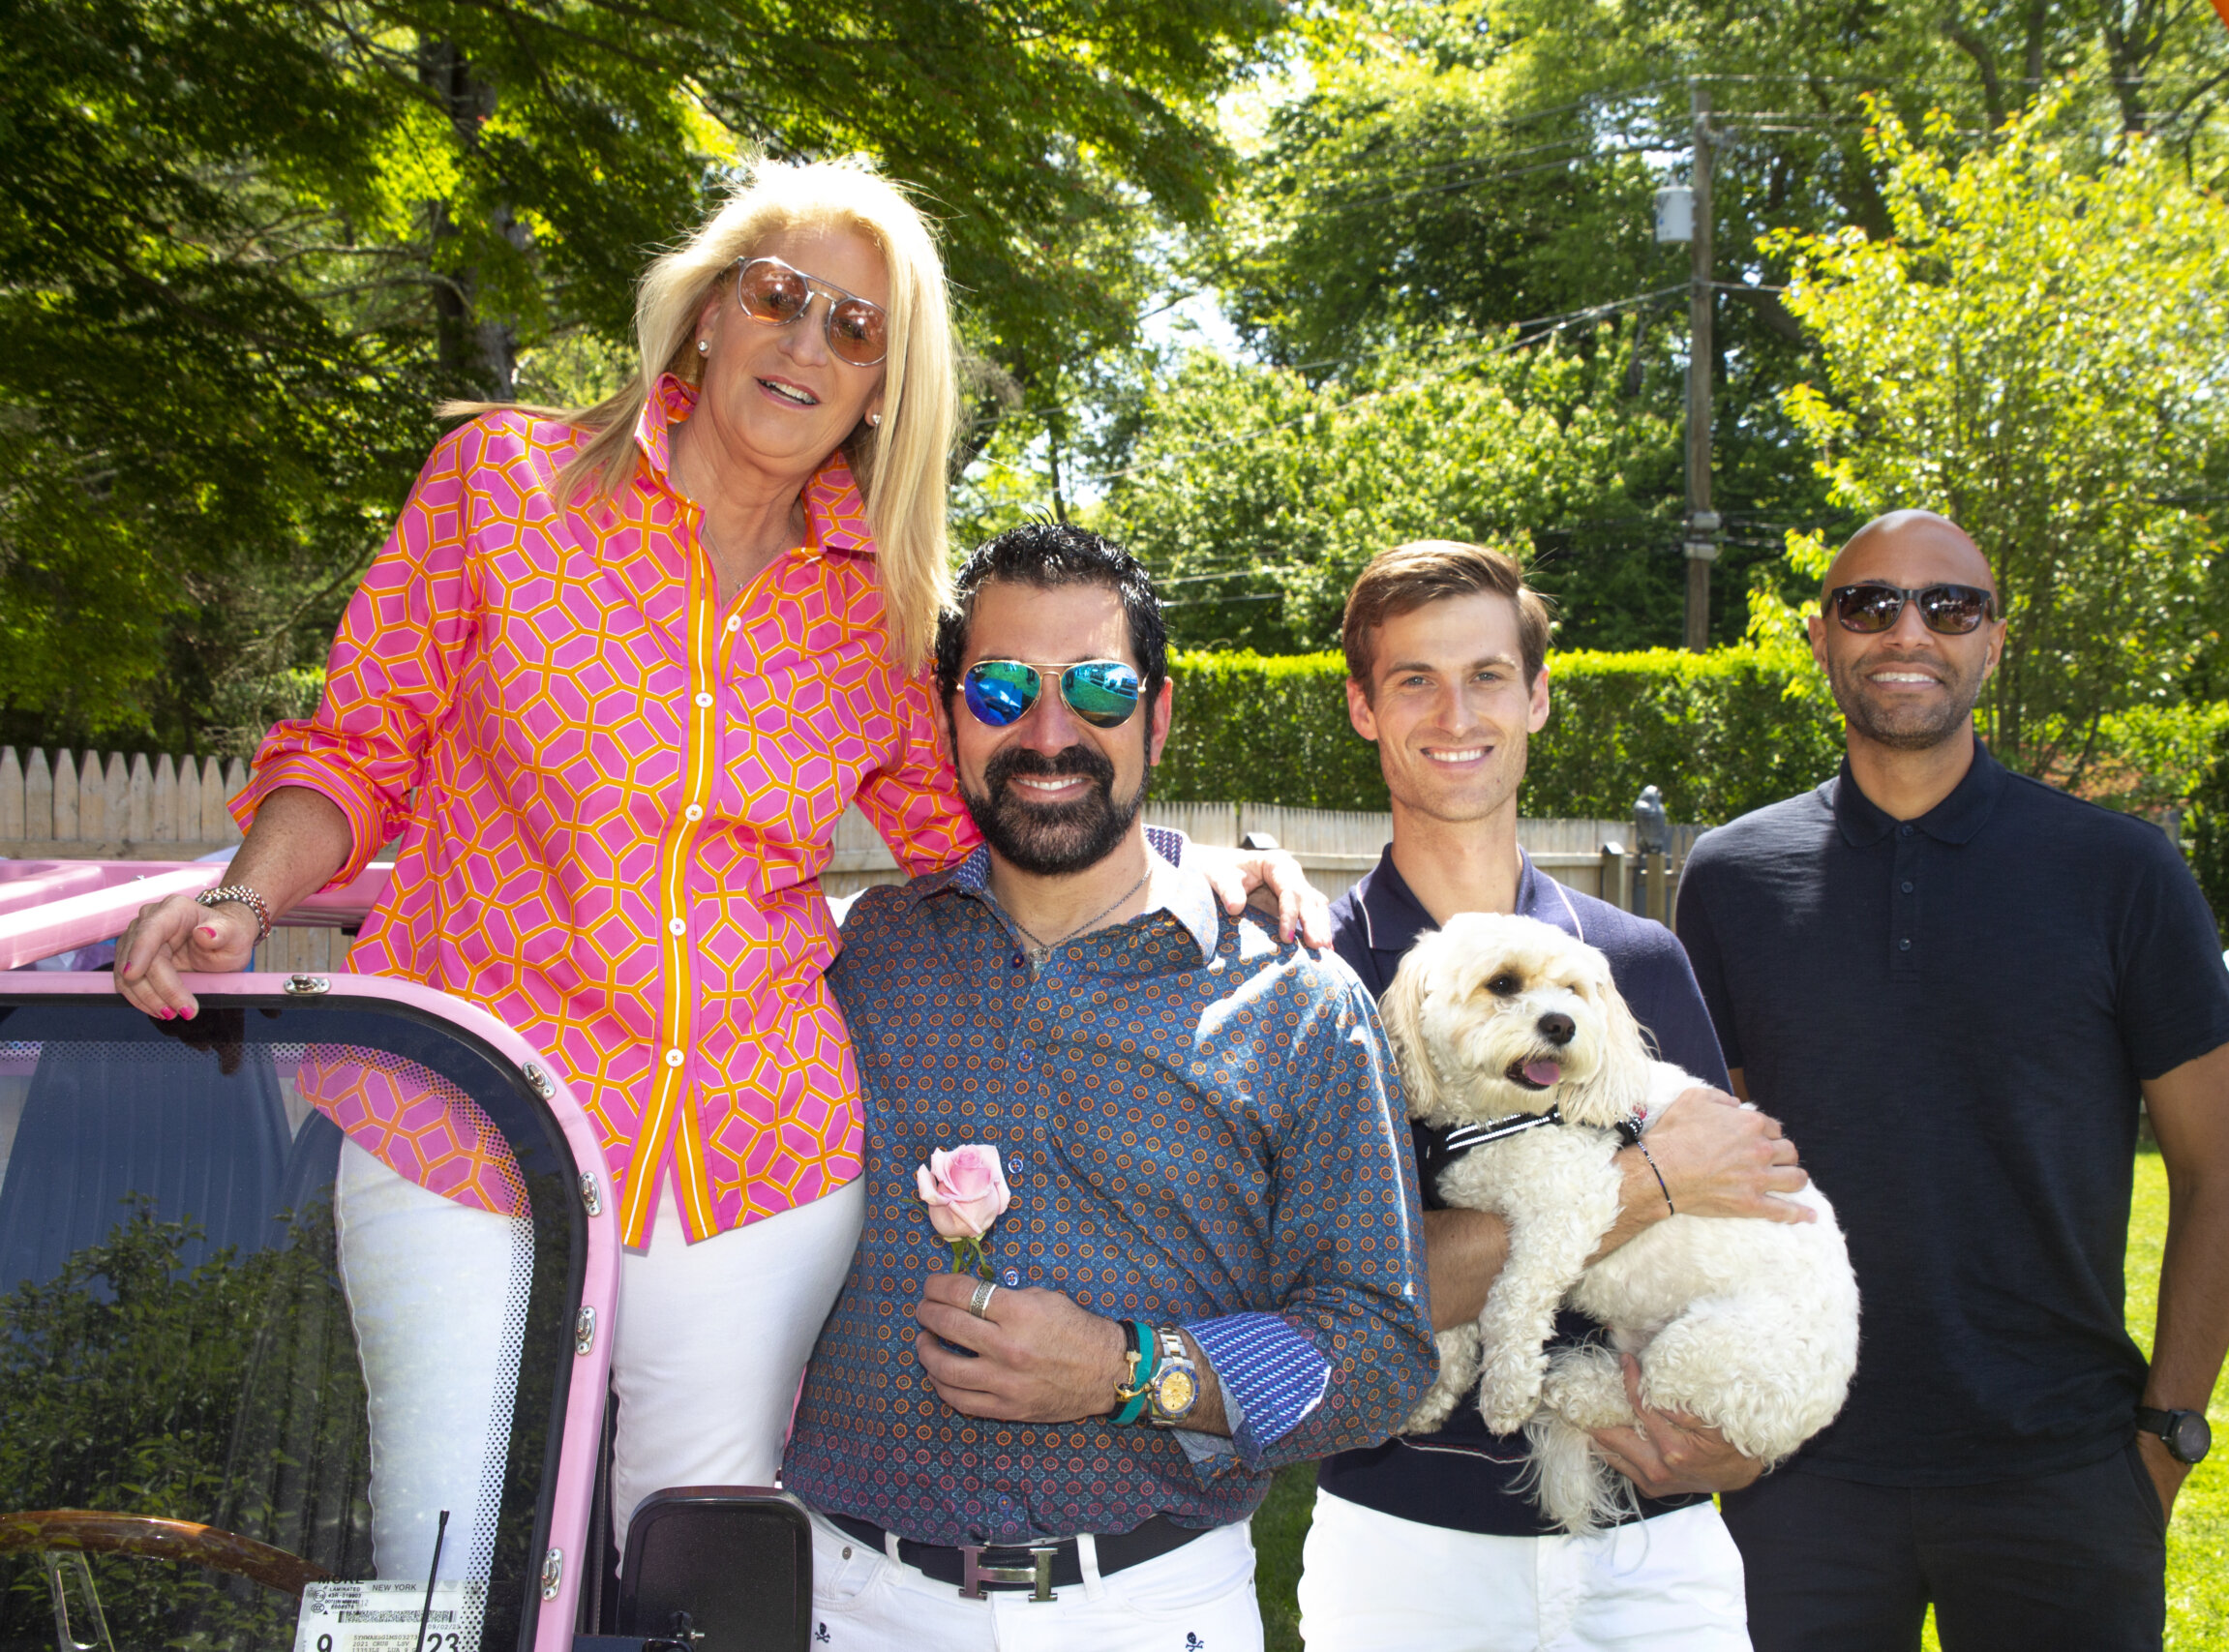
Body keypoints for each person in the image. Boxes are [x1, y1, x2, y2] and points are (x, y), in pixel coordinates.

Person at [105, 159, 1321, 1577]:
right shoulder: (503, 484)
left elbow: (981, 824)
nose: (807, 344)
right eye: (779, 297)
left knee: (696, 1578)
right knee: (451, 1564)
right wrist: (245, 896)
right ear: (705, 315)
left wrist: (1183, 866)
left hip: (757, 1168)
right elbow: (358, 746)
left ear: (885, 385)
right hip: (463, 1130)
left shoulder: (883, 601)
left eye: (855, 329)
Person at [782, 524, 1432, 1652]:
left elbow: (1378, 1348)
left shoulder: (1298, 1007)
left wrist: (1133, 1372)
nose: (1048, 732)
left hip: (1147, 1611)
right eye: (998, 690)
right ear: (948, 719)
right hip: (847, 1604)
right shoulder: (849, 963)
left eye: (1097, 686)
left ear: (1158, 716)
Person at [1672, 510, 2229, 1652]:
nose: (1909, 630)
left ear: (1993, 641)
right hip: (1795, 1465)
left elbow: (2220, 1168)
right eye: (1869, 603)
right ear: (1819, 637)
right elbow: (1704, 1176)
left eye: (1949, 606)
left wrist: (2167, 1435)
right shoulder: (1731, 877)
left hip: (2064, 1469)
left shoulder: (2118, 873)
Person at [1297, 540, 1815, 1652]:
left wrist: (1747, 1443)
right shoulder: (1312, 981)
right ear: (1361, 709)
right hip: (1404, 1550)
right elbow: (1334, 1296)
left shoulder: (1638, 962)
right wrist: (1644, 1185)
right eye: (1413, 680)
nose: (1456, 712)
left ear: (1535, 697)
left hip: (1652, 1541)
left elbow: (1745, 1225)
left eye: (1487, 675)